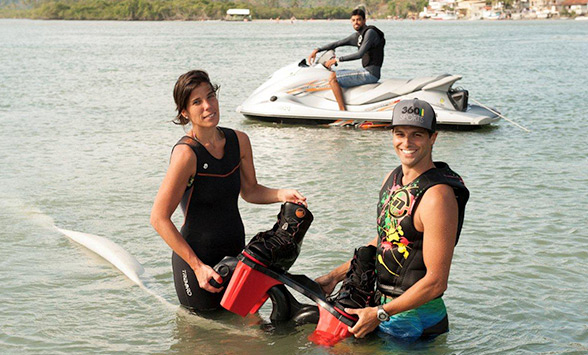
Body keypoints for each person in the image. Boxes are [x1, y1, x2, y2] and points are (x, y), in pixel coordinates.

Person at [150, 70, 306, 311]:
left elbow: (250, 191)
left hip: (236, 254)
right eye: (197, 102)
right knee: (201, 340)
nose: (208, 106)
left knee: (246, 332)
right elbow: (159, 219)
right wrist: (197, 267)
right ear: (184, 112)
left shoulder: (239, 141)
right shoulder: (186, 155)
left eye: (210, 96)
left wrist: (281, 194)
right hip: (195, 262)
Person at [315, 98, 469, 340]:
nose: (406, 143)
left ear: (433, 138)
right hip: (383, 310)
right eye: (400, 134)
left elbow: (436, 282)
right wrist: (334, 276)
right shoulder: (392, 179)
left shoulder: (438, 196)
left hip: (417, 322)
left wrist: (380, 314)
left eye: (417, 135)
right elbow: (388, 240)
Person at [307, 8, 385, 111]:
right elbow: (338, 43)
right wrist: (317, 50)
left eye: (358, 20)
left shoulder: (370, 33)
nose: (356, 22)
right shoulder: (358, 36)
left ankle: (342, 111)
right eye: (353, 20)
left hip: (370, 73)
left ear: (364, 21)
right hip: (367, 71)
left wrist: (337, 60)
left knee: (333, 78)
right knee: (336, 74)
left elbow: (360, 54)